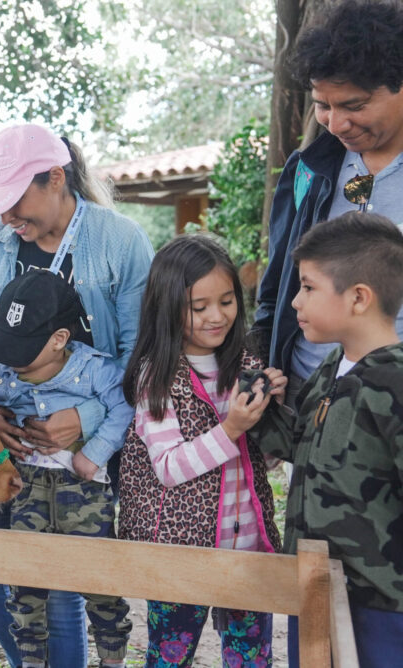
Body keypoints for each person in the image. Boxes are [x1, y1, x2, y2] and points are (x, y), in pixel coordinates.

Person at [0, 123, 154, 667]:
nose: (6, 218)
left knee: (65, 574)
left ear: (56, 178)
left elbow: (142, 353)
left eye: (15, 201)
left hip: (86, 451)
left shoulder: (120, 241)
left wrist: (85, 417)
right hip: (9, 444)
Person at [118, 235, 284, 667]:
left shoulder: (245, 363)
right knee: (170, 657)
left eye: (227, 301)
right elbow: (169, 467)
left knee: (252, 659)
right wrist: (232, 428)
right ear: (167, 306)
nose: (217, 316)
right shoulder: (155, 377)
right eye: (200, 307)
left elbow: (263, 463)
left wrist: (270, 411)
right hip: (182, 553)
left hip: (248, 547)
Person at [256, 213, 403, 668]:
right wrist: (259, 412)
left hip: (380, 606)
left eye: (309, 287)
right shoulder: (329, 369)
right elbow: (302, 447)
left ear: (359, 297)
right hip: (316, 587)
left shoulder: (395, 383)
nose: (295, 301)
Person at [0, 270, 133, 668]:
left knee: (98, 579)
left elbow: (124, 407)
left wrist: (93, 452)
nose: (9, 359)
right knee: (26, 577)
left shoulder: (95, 370)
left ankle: (112, 658)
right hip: (27, 487)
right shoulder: (1, 369)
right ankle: (32, 660)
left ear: (59, 340)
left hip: (84, 490)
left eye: (21, 349)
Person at [252, 0, 403, 402]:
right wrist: (261, 363)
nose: (336, 124)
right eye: (323, 105)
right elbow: (276, 285)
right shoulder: (308, 170)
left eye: (355, 106)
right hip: (309, 398)